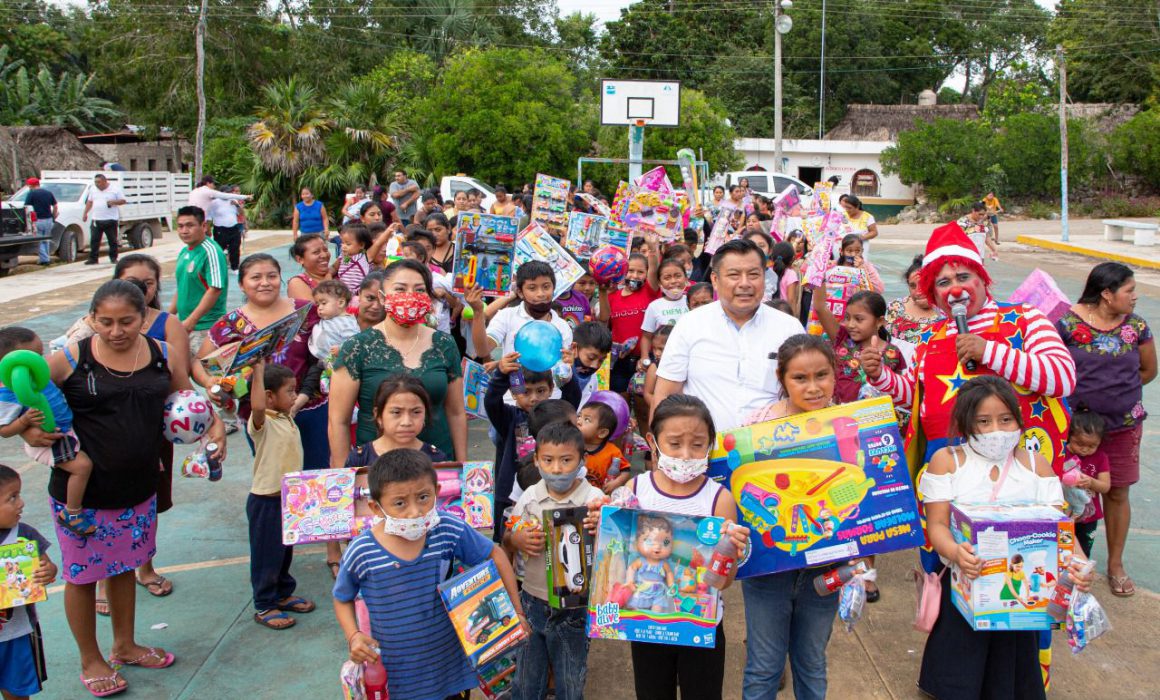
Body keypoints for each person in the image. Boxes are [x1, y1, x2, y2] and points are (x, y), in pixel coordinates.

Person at [862, 221, 1076, 684]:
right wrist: (882, 378)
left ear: (982, 279)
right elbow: (918, 402)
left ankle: (1020, 682)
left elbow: (1062, 378)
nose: (955, 288)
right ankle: (958, 680)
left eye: (963, 276)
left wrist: (990, 351)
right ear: (933, 294)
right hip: (951, 482)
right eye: (943, 281)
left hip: (1016, 481)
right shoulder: (932, 341)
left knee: (1022, 587)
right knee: (953, 586)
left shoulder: (1026, 320)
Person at [25, 279, 226, 697]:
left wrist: (216, 428)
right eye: (105, 322)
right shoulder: (71, 357)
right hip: (81, 494)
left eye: (127, 322)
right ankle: (90, 658)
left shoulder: (162, 354)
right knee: (83, 576)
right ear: (92, 319)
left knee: (125, 566)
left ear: (144, 317)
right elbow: (26, 399)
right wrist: (31, 429)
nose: (116, 331)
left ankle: (125, 644)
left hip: (138, 486)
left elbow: (185, 399)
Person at [916, 376, 1090, 700]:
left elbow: (1059, 527)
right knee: (960, 675)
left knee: (1008, 678)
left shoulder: (1036, 466)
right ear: (966, 424)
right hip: (964, 588)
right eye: (983, 421)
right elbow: (936, 525)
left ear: (1018, 418)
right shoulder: (948, 462)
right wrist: (955, 552)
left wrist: (1078, 564)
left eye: (1005, 419)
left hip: (1019, 599)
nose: (996, 429)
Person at [589, 395, 750, 700]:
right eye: (675, 444)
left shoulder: (719, 499)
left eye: (698, 444)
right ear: (653, 441)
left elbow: (723, 583)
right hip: (647, 626)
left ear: (711, 444)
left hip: (701, 627)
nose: (687, 454)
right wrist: (600, 523)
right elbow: (614, 559)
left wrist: (728, 554)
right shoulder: (635, 490)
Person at [335, 449, 527, 700]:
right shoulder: (362, 551)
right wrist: (354, 636)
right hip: (396, 673)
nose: (415, 511)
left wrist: (517, 611)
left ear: (437, 491)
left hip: (448, 667)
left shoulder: (446, 529)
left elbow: (496, 555)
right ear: (376, 507)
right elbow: (342, 597)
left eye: (424, 497)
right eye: (400, 503)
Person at [739, 335, 841, 699]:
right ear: (781, 378)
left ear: (834, 374)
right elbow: (741, 496)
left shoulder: (851, 425)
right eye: (800, 378)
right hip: (769, 567)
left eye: (822, 375)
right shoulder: (754, 426)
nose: (813, 387)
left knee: (812, 661)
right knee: (764, 665)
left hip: (827, 567)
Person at [1055, 261, 1156, 597]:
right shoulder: (1067, 324)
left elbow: (1148, 370)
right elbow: (1054, 368)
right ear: (1107, 294)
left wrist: (1116, 395)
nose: (1135, 296)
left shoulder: (1136, 326)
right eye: (1129, 290)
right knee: (1066, 494)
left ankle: (1115, 565)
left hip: (1123, 427)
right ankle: (1067, 561)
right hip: (1075, 432)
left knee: (1117, 491)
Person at [653, 239, 805, 431]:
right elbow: (665, 394)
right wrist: (661, 453)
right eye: (734, 275)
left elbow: (805, 394)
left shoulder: (789, 328)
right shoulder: (690, 325)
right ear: (715, 280)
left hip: (772, 452)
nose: (745, 284)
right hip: (704, 453)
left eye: (753, 275)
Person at [330, 258, 467, 471]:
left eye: (419, 290)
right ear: (383, 298)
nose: (410, 296)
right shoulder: (357, 347)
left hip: (438, 466)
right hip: (375, 469)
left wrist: (462, 466)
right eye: (400, 289)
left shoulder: (444, 344)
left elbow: (456, 412)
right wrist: (342, 477)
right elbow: (338, 421)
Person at [507, 422, 602, 700]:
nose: (557, 469)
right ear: (536, 460)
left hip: (575, 607)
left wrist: (602, 525)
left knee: (570, 681)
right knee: (525, 680)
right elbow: (508, 539)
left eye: (566, 460)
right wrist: (517, 540)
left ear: (582, 460)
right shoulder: (529, 498)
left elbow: (613, 550)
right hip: (532, 600)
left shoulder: (594, 501)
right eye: (548, 460)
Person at [0, 328, 94, 537]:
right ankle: (72, 512)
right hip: (49, 441)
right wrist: (24, 422)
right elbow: (4, 430)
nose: (41, 362)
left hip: (65, 431)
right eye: (32, 357)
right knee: (82, 466)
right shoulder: (8, 392)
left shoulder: (38, 378)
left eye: (40, 355)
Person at [247, 360, 316, 630]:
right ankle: (265, 604)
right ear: (268, 397)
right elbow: (255, 406)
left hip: (289, 499)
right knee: (266, 554)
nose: (294, 396)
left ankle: (283, 591)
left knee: (285, 550)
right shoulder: (262, 423)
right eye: (289, 391)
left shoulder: (286, 416)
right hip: (266, 500)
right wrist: (258, 371)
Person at [486, 352, 574, 542]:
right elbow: (491, 402)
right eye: (526, 392)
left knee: (546, 539)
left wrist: (567, 376)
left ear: (551, 389)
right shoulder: (508, 418)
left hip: (550, 492)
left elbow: (572, 400)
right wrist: (501, 375)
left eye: (540, 391)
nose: (534, 398)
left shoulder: (556, 416)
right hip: (510, 493)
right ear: (513, 392)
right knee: (505, 538)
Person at [0, 465, 57, 699]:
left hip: (17, 634)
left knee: (17, 691)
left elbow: (49, 568)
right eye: (12, 497)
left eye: (19, 494)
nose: (21, 503)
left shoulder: (23, 534)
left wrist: (47, 571)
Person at [598, 234, 661, 394]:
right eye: (630, 271)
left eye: (641, 272)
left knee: (641, 405)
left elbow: (654, 269)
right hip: (619, 362)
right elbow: (604, 320)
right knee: (619, 399)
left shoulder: (650, 291)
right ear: (622, 272)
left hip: (645, 361)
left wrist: (653, 248)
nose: (634, 275)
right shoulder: (612, 297)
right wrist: (602, 291)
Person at [344, 376, 449, 468]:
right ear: (378, 415)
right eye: (396, 412)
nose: (406, 422)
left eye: (416, 412)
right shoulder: (359, 459)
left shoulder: (436, 459)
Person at [170, 206, 229, 347]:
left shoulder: (211, 251)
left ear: (203, 226)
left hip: (205, 327)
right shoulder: (185, 252)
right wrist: (169, 316)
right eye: (180, 226)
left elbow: (215, 289)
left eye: (190, 225)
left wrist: (192, 321)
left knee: (201, 367)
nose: (184, 231)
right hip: (186, 325)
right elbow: (182, 287)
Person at [1065, 410, 1111, 559]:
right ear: (1069, 436)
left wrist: (1091, 482)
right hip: (1066, 512)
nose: (1084, 449)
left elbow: (1105, 486)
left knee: (1084, 550)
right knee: (1063, 547)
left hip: (1089, 517)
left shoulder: (1100, 457)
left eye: (1091, 446)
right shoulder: (1063, 453)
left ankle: (1080, 576)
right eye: (1079, 443)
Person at [885, 255, 943, 348]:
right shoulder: (893, 308)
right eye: (912, 286)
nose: (918, 292)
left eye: (924, 284)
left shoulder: (946, 317)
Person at [638, 257, 689, 364]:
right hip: (662, 361)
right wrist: (644, 357)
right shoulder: (654, 306)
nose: (673, 281)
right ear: (660, 283)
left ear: (686, 278)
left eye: (678, 276)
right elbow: (647, 337)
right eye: (667, 278)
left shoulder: (692, 302)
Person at [577, 401, 627, 493]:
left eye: (586, 419)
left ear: (602, 433)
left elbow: (625, 471)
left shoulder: (613, 452)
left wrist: (617, 482)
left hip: (599, 498)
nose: (579, 421)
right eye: (579, 416)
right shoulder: (571, 445)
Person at [82, 174, 126, 265]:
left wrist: (114, 202)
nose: (97, 184)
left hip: (110, 219)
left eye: (99, 182)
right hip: (96, 219)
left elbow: (123, 201)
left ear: (105, 181)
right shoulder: (93, 189)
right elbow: (90, 202)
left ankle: (113, 258)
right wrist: (85, 213)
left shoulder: (115, 189)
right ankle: (93, 258)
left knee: (112, 240)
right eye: (95, 182)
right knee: (94, 240)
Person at [285, 233, 333, 302]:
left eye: (325, 250)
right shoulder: (297, 283)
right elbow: (316, 311)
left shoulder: (337, 271)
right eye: (316, 252)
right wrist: (328, 280)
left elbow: (347, 259)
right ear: (300, 259)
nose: (324, 255)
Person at [24, 177, 57, 265]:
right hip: (49, 219)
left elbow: (26, 207)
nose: (28, 187)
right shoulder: (48, 193)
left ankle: (45, 260)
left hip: (37, 220)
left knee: (38, 241)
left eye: (29, 185)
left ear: (31, 185)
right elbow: (55, 205)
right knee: (46, 239)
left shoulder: (31, 194)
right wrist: (54, 216)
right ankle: (45, 258)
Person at [209, 189, 245, 271]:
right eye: (224, 193)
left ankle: (235, 267)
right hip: (220, 228)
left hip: (233, 227)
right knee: (220, 249)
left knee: (235, 247)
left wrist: (237, 205)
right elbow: (209, 215)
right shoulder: (215, 202)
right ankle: (219, 267)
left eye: (228, 193)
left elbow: (241, 213)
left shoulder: (233, 200)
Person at [642, 324, 673, 410]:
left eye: (661, 349)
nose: (656, 353)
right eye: (654, 349)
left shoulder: (683, 365)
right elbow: (648, 394)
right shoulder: (654, 367)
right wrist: (665, 409)